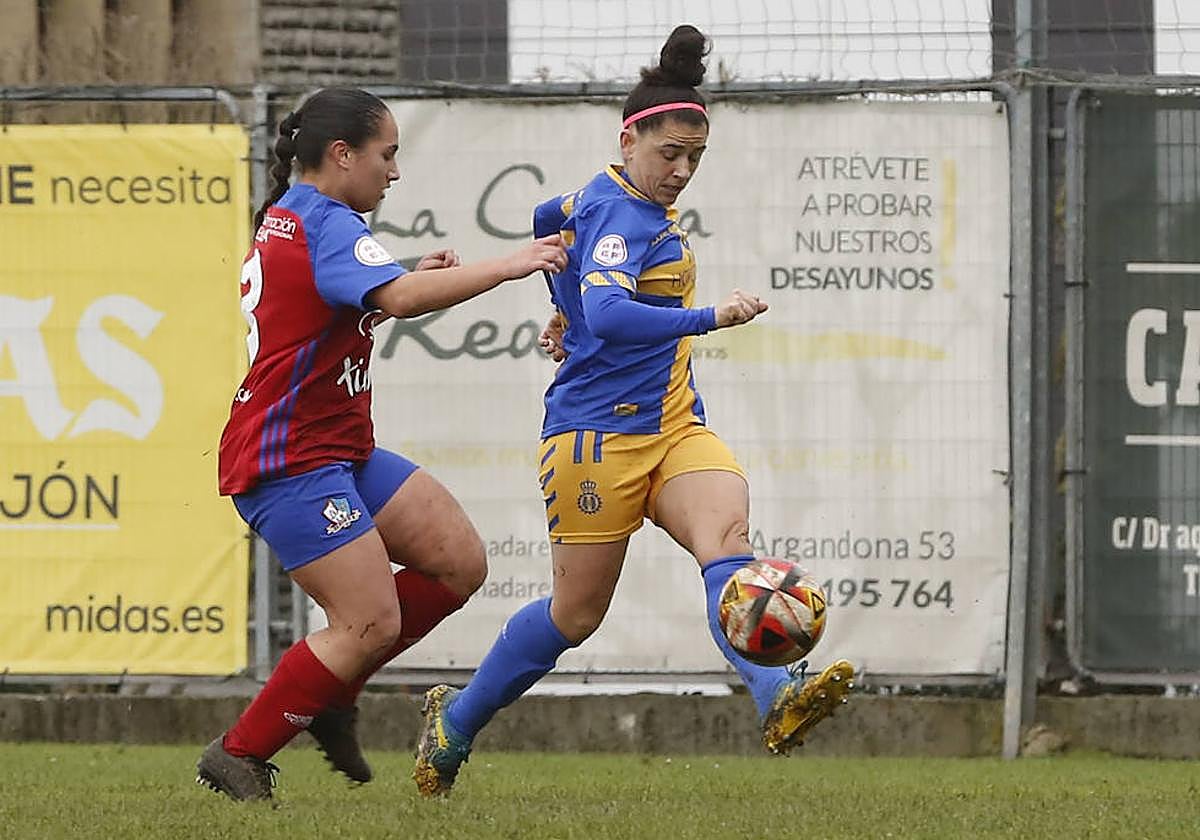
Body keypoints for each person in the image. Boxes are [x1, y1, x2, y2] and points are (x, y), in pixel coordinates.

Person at [412, 25, 855, 798]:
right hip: (594, 441)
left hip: (675, 427)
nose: (681, 171)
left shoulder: (600, 195)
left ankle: (777, 695)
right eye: (669, 155)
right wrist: (706, 317)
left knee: (729, 545)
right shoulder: (627, 219)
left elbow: (547, 220)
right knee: (574, 617)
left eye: (695, 158)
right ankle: (453, 723)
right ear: (630, 138)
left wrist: (564, 304)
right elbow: (615, 317)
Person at [193, 87, 567, 801]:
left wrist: (406, 278)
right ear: (342, 155)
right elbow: (390, 300)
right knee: (369, 622)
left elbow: (348, 304)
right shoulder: (325, 220)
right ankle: (239, 755)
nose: (393, 173)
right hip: (288, 459)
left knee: (458, 563)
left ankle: (331, 689)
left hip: (337, 450)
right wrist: (510, 263)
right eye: (386, 155)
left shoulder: (297, 216)